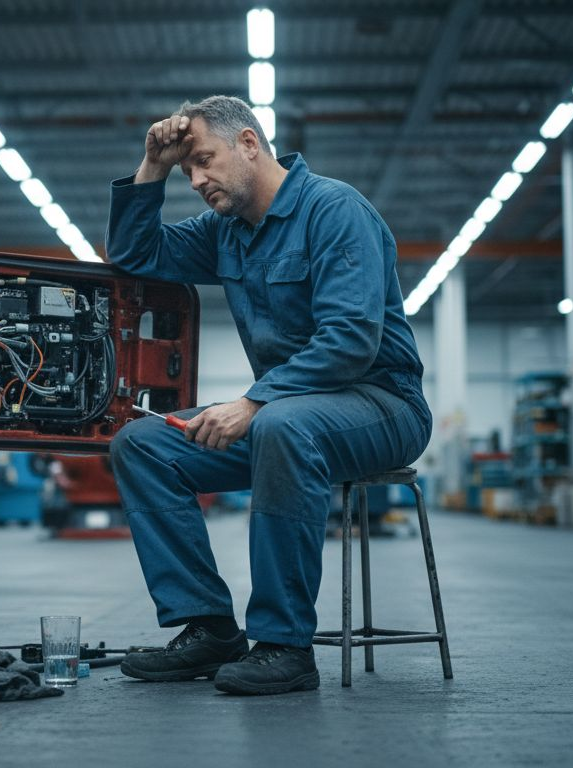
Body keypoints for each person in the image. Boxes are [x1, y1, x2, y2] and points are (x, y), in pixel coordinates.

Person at [106, 95, 431, 695]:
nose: (197, 180)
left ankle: (284, 644)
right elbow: (136, 257)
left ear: (249, 144)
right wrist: (152, 165)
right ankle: (207, 627)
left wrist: (253, 403)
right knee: (141, 444)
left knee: (285, 428)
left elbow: (351, 340)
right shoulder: (226, 232)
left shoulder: (334, 210)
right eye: (187, 172)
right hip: (289, 408)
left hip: (381, 404)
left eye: (204, 161)